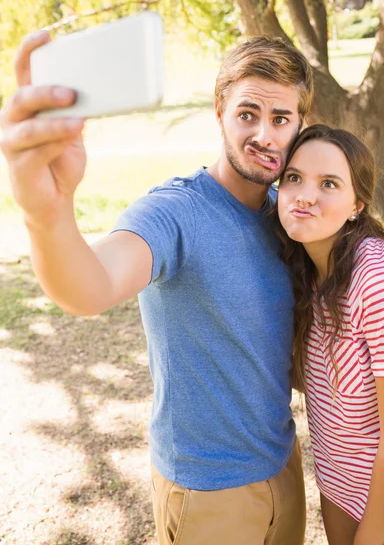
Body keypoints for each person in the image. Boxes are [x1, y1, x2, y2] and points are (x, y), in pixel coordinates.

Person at [0, 32, 313, 545]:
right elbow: (89, 287)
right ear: (219, 111)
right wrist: (47, 213)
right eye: (247, 113)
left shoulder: (288, 212)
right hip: (209, 492)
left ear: (300, 122)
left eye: (281, 119)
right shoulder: (175, 212)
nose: (264, 134)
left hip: (283, 463)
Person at [276, 124, 384, 545]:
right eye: (293, 178)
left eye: (328, 183)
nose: (304, 195)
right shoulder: (311, 270)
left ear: (357, 205)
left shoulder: (380, 283)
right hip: (342, 497)